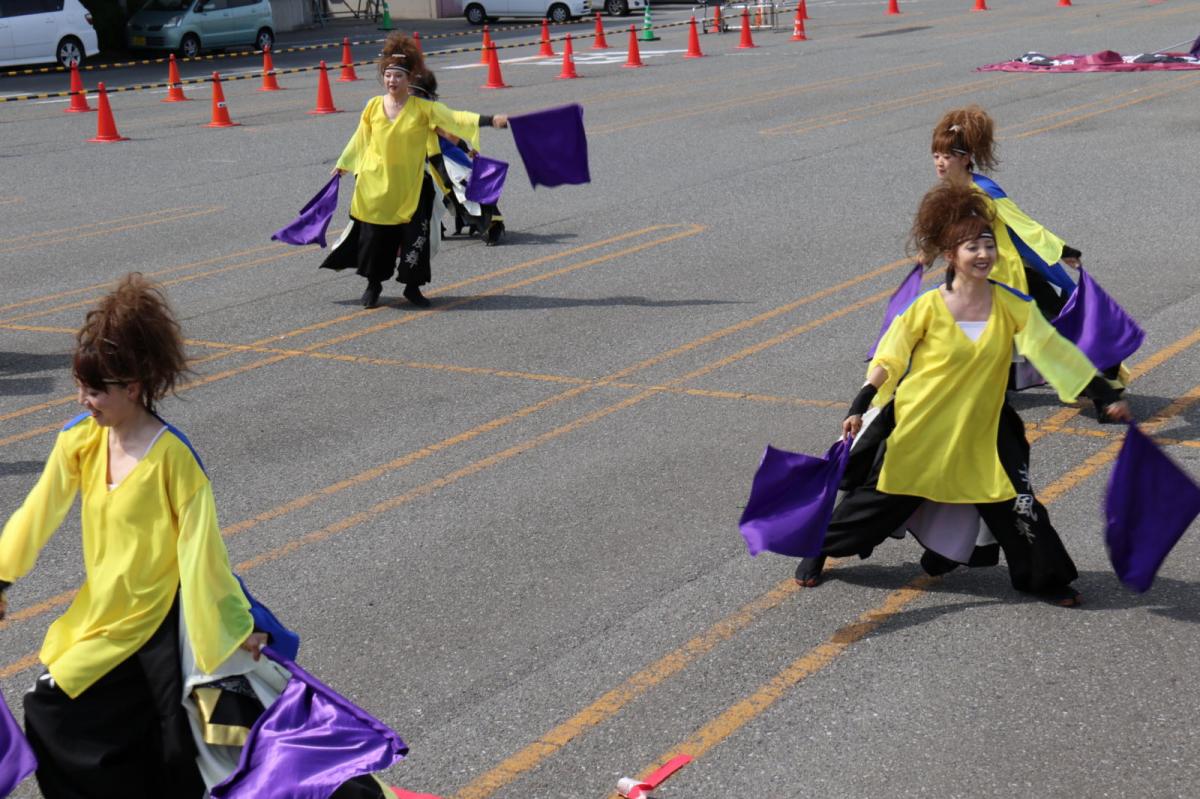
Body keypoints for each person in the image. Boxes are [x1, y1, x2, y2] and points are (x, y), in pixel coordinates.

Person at [794, 183, 1131, 606]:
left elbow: (1055, 354)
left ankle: (1044, 579)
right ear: (951, 255)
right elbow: (889, 359)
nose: (984, 254)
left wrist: (1104, 392)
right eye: (972, 246)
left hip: (984, 429)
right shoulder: (925, 307)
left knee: (1019, 510)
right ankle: (819, 545)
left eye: (988, 245)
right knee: (876, 506)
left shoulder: (1013, 305)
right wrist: (861, 403)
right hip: (922, 427)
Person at [0, 273, 266, 798]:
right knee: (51, 711)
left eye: (96, 391)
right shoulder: (79, 441)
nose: (85, 400)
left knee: (177, 749)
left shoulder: (174, 459)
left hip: (160, 622)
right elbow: (37, 512)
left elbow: (203, 555)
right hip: (103, 616)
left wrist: (237, 628)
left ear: (133, 388)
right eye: (82, 387)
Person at [930, 105, 1129, 406]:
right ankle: (989, 385)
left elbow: (1024, 225)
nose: (940, 164)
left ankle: (1104, 389)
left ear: (966, 159)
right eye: (936, 157)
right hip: (972, 276)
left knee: (1058, 332)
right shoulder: (948, 193)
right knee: (964, 331)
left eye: (947, 157)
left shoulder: (983, 190)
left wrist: (1062, 250)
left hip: (1010, 276)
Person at [327, 33, 509, 309]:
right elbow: (359, 139)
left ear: (409, 78)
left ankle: (412, 288)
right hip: (377, 187)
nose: (392, 81)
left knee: (417, 240)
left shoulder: (423, 109)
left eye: (398, 76)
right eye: (388, 75)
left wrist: (489, 120)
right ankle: (373, 286)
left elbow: (455, 118)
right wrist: (344, 163)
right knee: (375, 240)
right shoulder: (373, 106)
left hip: (411, 186)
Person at [411, 70, 507, 247]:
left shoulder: (423, 108)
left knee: (462, 191)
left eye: (413, 91)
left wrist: (465, 148)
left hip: (443, 159)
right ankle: (435, 227)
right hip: (426, 160)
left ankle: (492, 225)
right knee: (431, 194)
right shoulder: (410, 107)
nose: (409, 94)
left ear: (420, 93)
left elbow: (447, 133)